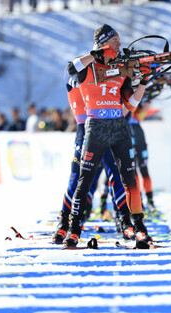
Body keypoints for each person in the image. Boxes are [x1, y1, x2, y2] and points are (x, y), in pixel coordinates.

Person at [63, 24, 152, 248]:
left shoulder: (120, 69)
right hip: (96, 127)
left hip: (119, 126)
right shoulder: (87, 66)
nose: (119, 46)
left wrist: (142, 83)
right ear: (103, 43)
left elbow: (130, 104)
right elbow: (70, 69)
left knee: (129, 179)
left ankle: (139, 228)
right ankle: (73, 229)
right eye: (115, 42)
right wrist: (96, 55)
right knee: (85, 178)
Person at [52, 75, 133, 244]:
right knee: (77, 178)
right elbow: (70, 77)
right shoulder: (83, 73)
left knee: (116, 176)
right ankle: (66, 222)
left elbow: (127, 106)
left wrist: (137, 80)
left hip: (111, 128)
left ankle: (125, 220)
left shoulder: (113, 76)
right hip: (87, 130)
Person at [127, 99, 156, 211]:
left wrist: (149, 98)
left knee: (144, 169)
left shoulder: (137, 101)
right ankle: (138, 201)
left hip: (139, 136)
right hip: (128, 136)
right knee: (133, 171)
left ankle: (150, 201)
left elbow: (141, 116)